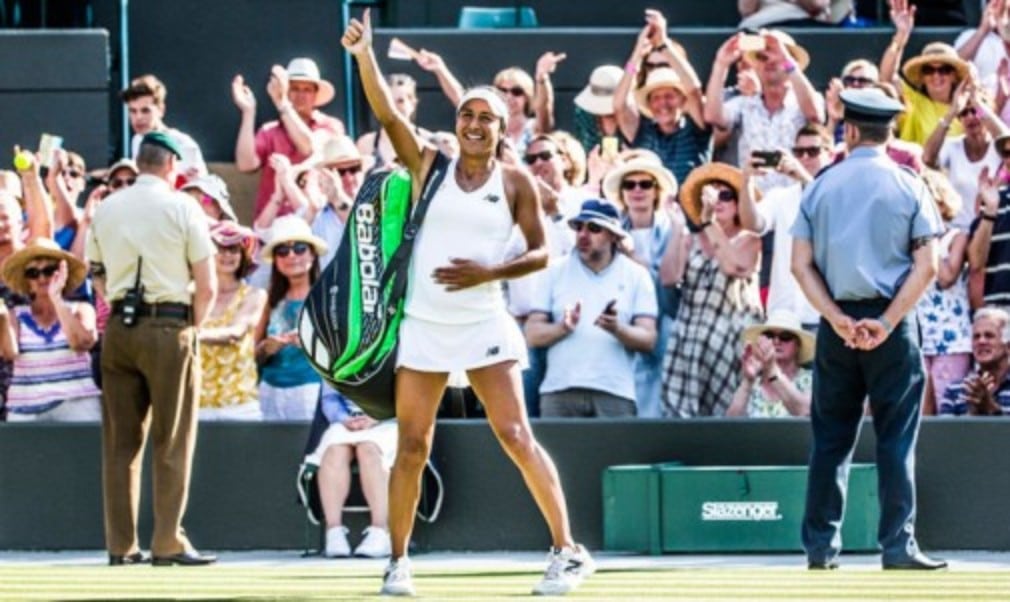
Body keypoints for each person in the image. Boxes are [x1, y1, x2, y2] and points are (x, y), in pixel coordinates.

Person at [343, 10, 594, 596]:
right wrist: (364, 56)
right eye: (467, 115)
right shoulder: (429, 164)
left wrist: (490, 271)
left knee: (514, 435)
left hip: (484, 321)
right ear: (455, 122)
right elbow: (387, 112)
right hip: (422, 326)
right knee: (410, 445)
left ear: (504, 129)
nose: (475, 124)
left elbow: (540, 252)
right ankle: (398, 564)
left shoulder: (515, 182)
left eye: (487, 118)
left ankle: (567, 551)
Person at [790, 87, 945, 570]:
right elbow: (929, 266)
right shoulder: (909, 184)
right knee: (896, 435)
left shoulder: (820, 184)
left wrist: (837, 319)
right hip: (891, 323)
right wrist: (885, 322)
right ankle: (898, 546)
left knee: (831, 438)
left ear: (849, 130)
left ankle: (820, 548)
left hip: (836, 318)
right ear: (891, 130)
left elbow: (799, 265)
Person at [85, 131, 217, 566]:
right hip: (169, 324)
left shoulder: (106, 207)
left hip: (120, 329)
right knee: (173, 439)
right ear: (171, 165)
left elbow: (96, 274)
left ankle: (120, 546)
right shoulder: (183, 206)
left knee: (121, 444)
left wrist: (117, 304)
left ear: (140, 162)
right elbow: (208, 283)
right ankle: (167, 541)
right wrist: (191, 327)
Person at [525, 200, 657, 417]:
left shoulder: (637, 275)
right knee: (554, 453)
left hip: (615, 392)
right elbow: (531, 335)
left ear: (614, 235)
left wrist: (617, 329)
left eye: (594, 228)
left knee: (615, 453)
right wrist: (563, 328)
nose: (583, 235)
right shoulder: (553, 270)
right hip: (559, 391)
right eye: (579, 227)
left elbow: (648, 339)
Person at [661, 163, 764, 417]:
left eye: (726, 195)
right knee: (683, 418)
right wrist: (677, 227)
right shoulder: (691, 239)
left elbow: (734, 266)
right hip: (690, 336)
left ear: (739, 201)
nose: (719, 201)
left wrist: (709, 224)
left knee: (729, 414)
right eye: (711, 194)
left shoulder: (750, 239)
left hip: (731, 337)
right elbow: (668, 277)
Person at [601, 156, 680, 416]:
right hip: (622, 316)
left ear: (656, 191)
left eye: (645, 184)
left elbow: (672, 279)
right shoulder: (610, 230)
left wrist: (635, 259)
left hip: (665, 317)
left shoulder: (671, 228)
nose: (637, 190)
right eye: (630, 184)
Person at [738, 123, 834, 328]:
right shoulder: (780, 197)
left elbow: (830, 215)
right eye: (799, 152)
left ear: (830, 154)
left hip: (823, 317)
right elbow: (752, 223)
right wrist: (746, 180)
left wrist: (802, 176)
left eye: (813, 151)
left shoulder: (839, 194)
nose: (805, 158)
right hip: (782, 315)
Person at [705, 30, 824, 193]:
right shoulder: (744, 104)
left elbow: (815, 114)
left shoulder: (804, 100)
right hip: (755, 206)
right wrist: (721, 64)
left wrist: (786, 61)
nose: (770, 61)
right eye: (762, 57)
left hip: (796, 201)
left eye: (777, 55)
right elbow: (713, 116)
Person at [0, 238, 100, 421]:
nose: (42, 278)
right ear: (27, 281)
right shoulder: (15, 314)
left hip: (76, 403)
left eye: (49, 271)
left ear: (63, 274)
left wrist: (56, 299)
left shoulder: (81, 309)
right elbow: (9, 353)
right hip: (25, 408)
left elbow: (81, 343)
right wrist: (3, 317)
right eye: (33, 273)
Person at [232, 58, 345, 220]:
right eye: (294, 88)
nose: (301, 95)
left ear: (315, 94)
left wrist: (282, 103)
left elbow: (309, 148)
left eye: (307, 89)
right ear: (287, 91)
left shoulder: (330, 126)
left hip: (317, 220)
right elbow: (246, 164)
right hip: (274, 224)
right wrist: (248, 112)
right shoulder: (269, 131)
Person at [614, 9, 711, 186]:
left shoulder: (696, 128)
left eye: (670, 96)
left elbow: (694, 91)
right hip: (652, 210)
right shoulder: (641, 130)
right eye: (656, 98)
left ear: (682, 100)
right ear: (649, 104)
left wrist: (664, 44)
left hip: (690, 211)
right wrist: (636, 55)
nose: (663, 104)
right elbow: (619, 104)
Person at [304, 385, 396, 558]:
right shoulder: (334, 358)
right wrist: (344, 419)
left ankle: (380, 531)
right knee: (334, 452)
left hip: (388, 421)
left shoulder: (397, 357)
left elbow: (405, 394)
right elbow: (329, 399)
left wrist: (377, 416)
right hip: (345, 423)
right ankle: (334, 532)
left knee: (368, 450)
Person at [254, 216, 327, 421]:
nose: (292, 256)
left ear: (312, 253)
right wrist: (266, 348)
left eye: (300, 248)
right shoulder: (268, 300)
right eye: (283, 251)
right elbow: (251, 353)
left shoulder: (327, 297)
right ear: (276, 261)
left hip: (310, 391)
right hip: (269, 392)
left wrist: (308, 343)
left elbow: (343, 354)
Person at [915, 170, 971, 415]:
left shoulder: (956, 237)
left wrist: (928, 238)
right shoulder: (910, 240)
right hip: (918, 336)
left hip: (951, 338)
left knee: (949, 408)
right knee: (919, 410)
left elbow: (947, 276)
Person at [198, 221, 267, 421]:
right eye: (221, 248)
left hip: (240, 403)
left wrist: (189, 336)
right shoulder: (192, 293)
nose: (228, 255)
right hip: (197, 402)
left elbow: (236, 332)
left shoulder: (254, 294)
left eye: (234, 249)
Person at [880, 0, 971, 145]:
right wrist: (901, 35)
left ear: (954, 76)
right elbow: (887, 78)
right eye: (929, 70)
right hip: (916, 167)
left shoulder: (968, 110)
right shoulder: (913, 102)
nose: (936, 76)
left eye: (944, 70)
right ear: (922, 77)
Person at [923, 82, 1006, 229]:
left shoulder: (999, 148)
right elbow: (928, 158)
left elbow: (1008, 143)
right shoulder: (951, 146)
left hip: (992, 228)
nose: (970, 117)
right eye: (964, 113)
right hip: (956, 231)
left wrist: (978, 103)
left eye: (974, 111)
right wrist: (952, 111)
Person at [121, 74, 207, 182]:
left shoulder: (184, 144)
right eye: (132, 111)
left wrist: (196, 184)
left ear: (161, 110)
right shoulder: (137, 140)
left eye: (145, 110)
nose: (138, 117)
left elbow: (207, 198)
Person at [727, 309, 813, 417]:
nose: (776, 341)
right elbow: (731, 427)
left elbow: (805, 411)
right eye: (769, 336)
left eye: (785, 336)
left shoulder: (812, 379)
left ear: (798, 346)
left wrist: (772, 371)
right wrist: (747, 381)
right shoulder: (753, 385)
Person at [939, 306, 1010, 415]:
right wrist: (974, 411)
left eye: (989, 336)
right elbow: (943, 431)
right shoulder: (955, 390)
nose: (981, 341)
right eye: (976, 337)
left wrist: (992, 410)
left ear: (1008, 346)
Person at [968, 135, 1010, 309]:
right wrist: (991, 210)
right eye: (1007, 153)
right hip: (1001, 312)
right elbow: (976, 262)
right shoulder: (994, 201)